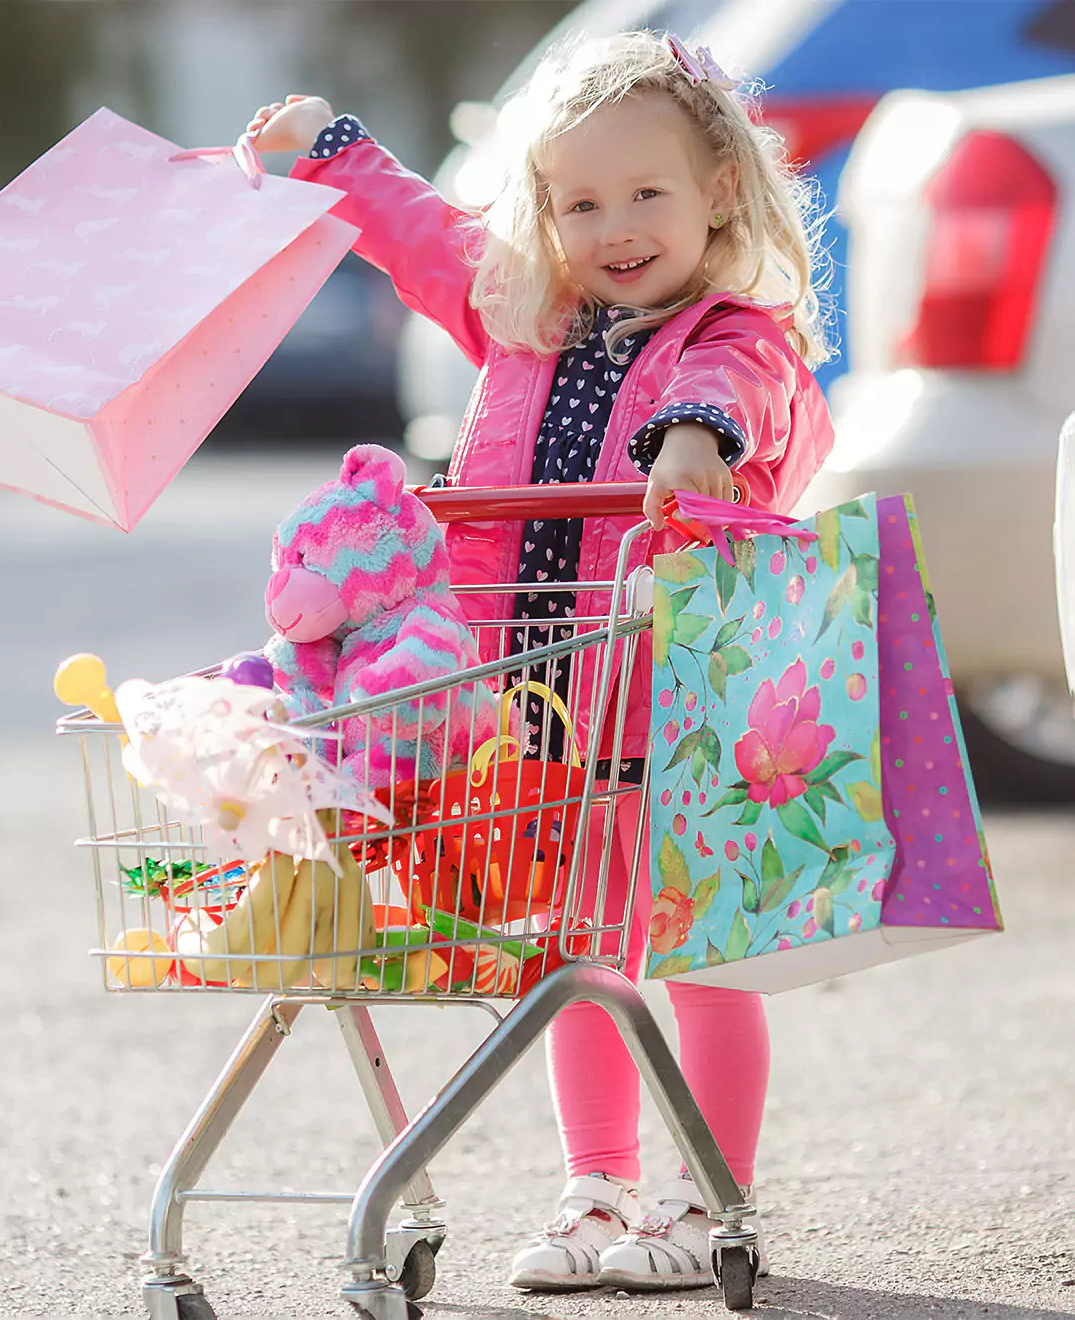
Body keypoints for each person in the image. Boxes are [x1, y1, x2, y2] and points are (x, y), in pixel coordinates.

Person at [246, 29, 835, 1294]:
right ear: (544, 212)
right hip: (540, 702)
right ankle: (598, 1185)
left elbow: (750, 392)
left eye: (645, 195)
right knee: (577, 955)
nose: (614, 227)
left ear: (718, 189)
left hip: (675, 703)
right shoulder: (526, 316)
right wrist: (328, 152)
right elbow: (422, 238)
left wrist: (692, 439)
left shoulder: (737, 335)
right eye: (579, 203)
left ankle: (703, 1198)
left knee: (696, 952)